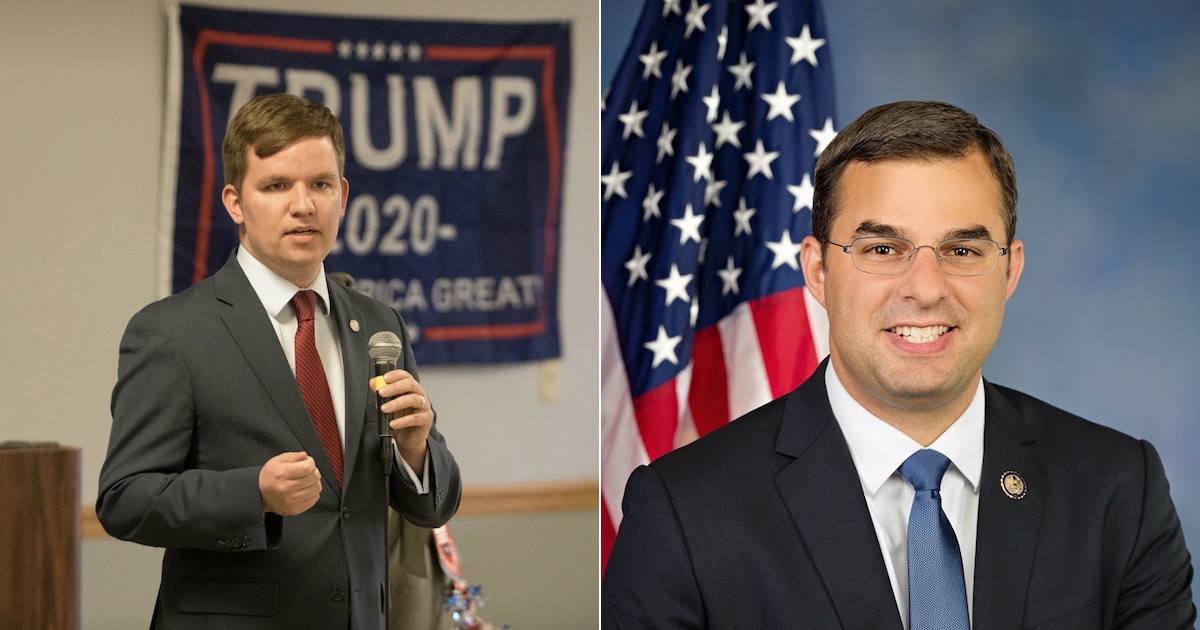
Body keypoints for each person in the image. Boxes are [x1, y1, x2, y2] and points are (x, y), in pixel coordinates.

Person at [601, 101, 1195, 628]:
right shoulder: (684, 511)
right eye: (882, 249)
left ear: (1010, 269)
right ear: (818, 271)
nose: (926, 288)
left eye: (962, 250)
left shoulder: (1119, 489)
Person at [97, 93, 462, 629]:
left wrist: (414, 448)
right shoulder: (172, 332)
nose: (304, 205)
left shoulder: (379, 326)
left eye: (319, 184)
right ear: (235, 202)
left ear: (342, 195)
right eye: (275, 186)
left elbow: (433, 508)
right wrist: (254, 494)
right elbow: (124, 499)